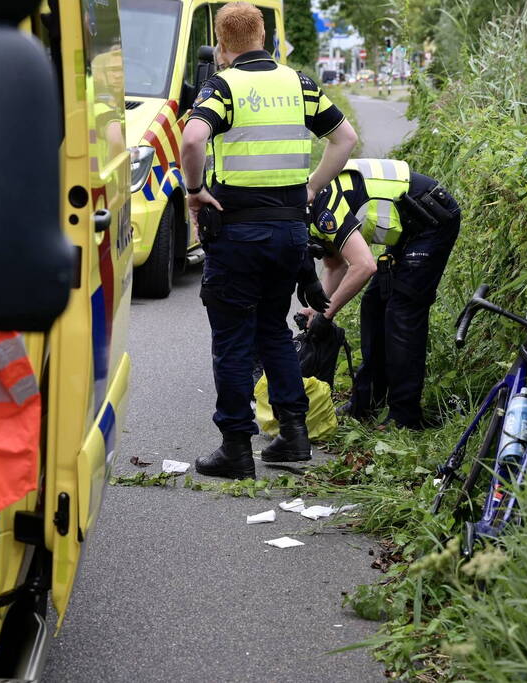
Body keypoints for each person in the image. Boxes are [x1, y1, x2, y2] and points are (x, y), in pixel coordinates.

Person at [180, 2, 357, 480]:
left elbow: (193, 140)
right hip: (288, 233)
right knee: (273, 330)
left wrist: (195, 193)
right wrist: (313, 186)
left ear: (222, 45)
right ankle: (293, 436)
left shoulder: (223, 86)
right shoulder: (300, 84)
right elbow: (345, 138)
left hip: (238, 232)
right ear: (266, 38)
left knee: (233, 338)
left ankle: (236, 448)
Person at [299, 159, 461, 430]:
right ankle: (365, 404)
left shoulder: (322, 206)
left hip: (433, 220)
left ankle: (405, 417)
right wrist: (317, 308)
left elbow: (363, 266)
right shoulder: (306, 208)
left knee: (402, 313)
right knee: (373, 306)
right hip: (409, 227)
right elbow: (335, 265)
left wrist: (326, 316)